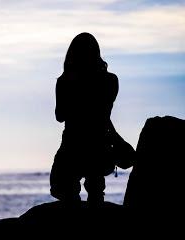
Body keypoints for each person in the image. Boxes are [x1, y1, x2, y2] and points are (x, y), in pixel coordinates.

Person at [50, 32, 134, 205]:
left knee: (61, 188)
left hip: (73, 144)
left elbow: (60, 116)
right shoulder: (110, 80)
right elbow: (103, 115)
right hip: (100, 143)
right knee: (96, 192)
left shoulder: (64, 81)